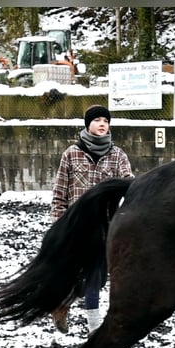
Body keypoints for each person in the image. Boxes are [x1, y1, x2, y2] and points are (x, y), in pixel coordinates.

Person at [50, 104, 133, 335]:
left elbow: (130, 185)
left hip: (106, 225)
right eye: (97, 120)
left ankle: (63, 302)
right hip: (77, 225)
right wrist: (59, 225)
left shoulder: (118, 156)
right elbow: (59, 192)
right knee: (93, 276)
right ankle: (95, 328)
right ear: (88, 124)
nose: (102, 124)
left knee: (97, 277)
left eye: (106, 121)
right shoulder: (71, 154)